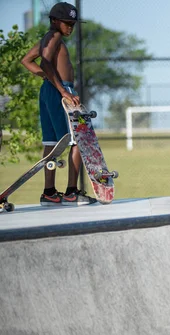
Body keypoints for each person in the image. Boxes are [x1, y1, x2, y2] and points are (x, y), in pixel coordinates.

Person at [20, 2, 96, 206]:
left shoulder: (47, 38)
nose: (70, 27)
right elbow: (44, 61)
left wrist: (47, 78)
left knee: (52, 144)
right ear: (54, 21)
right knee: (78, 139)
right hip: (61, 92)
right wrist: (63, 90)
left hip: (48, 91)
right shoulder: (54, 37)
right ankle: (72, 192)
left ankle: (49, 193)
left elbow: (26, 60)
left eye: (73, 23)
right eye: (66, 23)